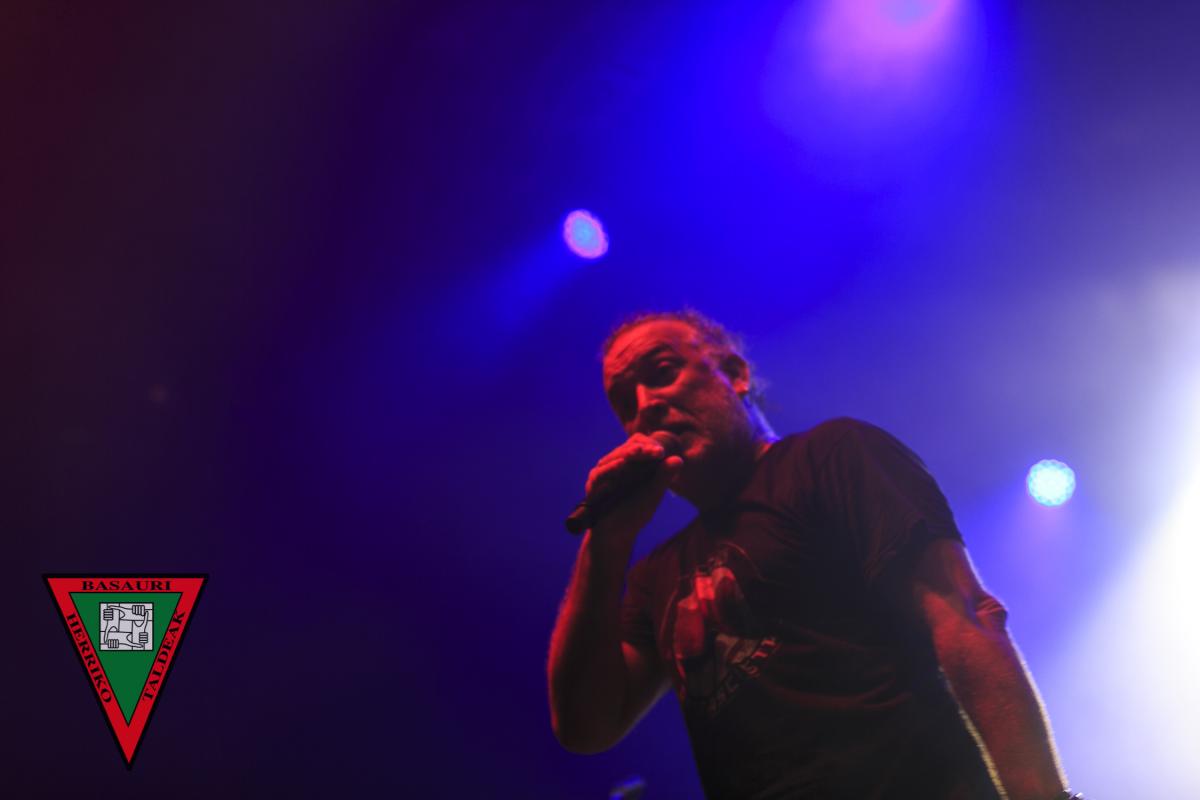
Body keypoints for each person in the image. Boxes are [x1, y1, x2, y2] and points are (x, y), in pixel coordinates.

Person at [548, 310, 1077, 800]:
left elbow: (965, 617)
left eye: (662, 373)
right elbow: (584, 728)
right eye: (625, 403)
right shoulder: (656, 576)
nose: (645, 406)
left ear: (734, 374)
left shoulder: (833, 456)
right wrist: (605, 542)